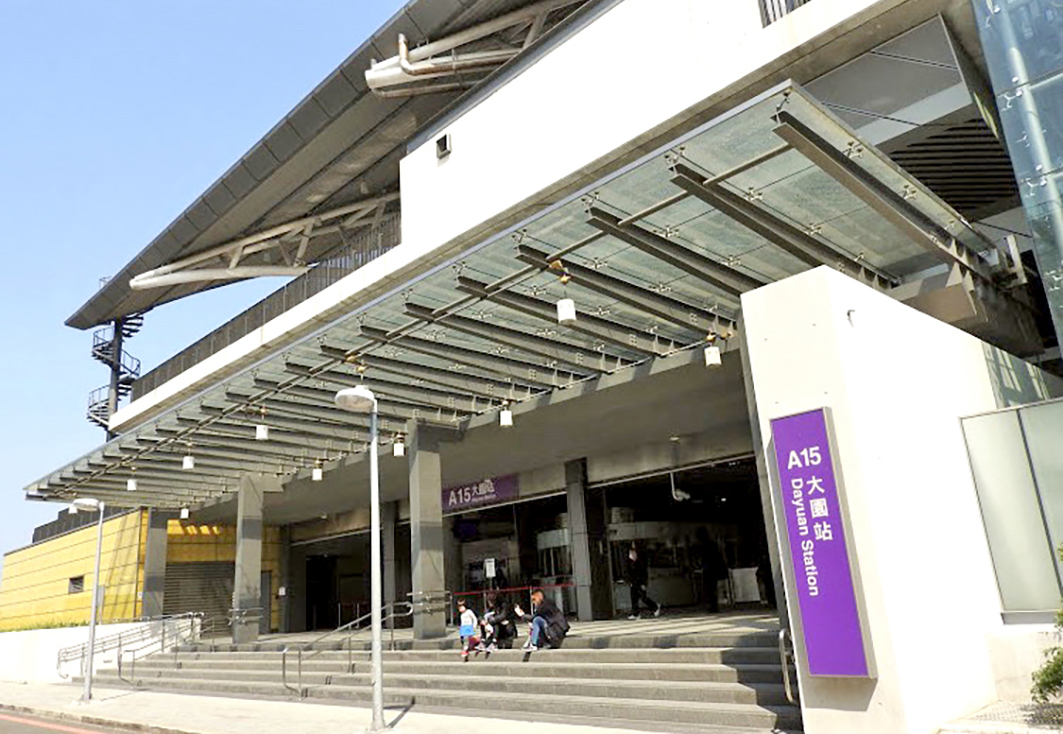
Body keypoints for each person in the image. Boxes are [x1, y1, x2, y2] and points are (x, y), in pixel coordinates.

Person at [625, 544, 661, 619]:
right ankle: (636, 613)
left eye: (633, 554)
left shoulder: (639, 564)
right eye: (630, 554)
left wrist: (643, 583)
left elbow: (643, 574)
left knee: (643, 597)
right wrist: (630, 582)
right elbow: (629, 574)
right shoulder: (629, 563)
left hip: (639, 583)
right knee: (634, 598)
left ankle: (655, 607)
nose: (631, 555)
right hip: (634, 583)